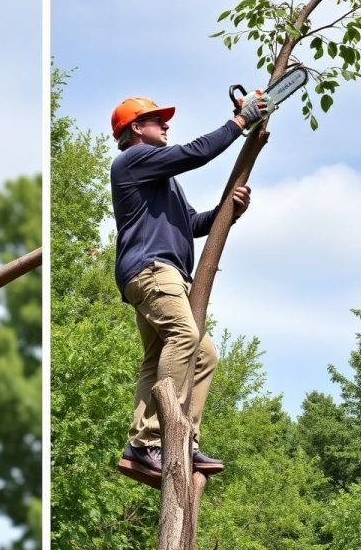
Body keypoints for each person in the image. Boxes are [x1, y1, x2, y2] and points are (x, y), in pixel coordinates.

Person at [110, 93, 265, 488]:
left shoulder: (162, 181)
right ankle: (157, 439)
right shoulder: (133, 161)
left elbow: (193, 223)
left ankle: (165, 444)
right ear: (134, 129)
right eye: (156, 120)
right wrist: (238, 124)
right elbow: (196, 153)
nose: (165, 125)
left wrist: (229, 212)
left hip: (163, 273)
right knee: (185, 336)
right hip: (152, 270)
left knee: (197, 353)